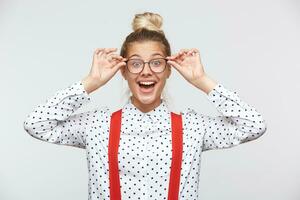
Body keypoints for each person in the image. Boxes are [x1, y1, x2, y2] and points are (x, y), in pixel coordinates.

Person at [23, 11, 267, 200]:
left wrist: (201, 81)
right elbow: (37, 124)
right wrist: (91, 82)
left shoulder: (192, 128)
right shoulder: (97, 125)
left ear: (170, 70)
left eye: (157, 63)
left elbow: (253, 125)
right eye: (136, 63)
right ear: (124, 71)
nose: (146, 71)